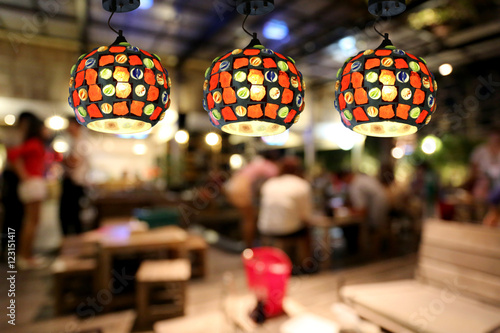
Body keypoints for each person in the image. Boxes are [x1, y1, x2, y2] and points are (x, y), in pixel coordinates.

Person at [7, 112, 47, 269]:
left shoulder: (33, 142)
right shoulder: (34, 143)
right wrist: (24, 175)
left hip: (32, 183)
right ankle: (24, 256)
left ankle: (26, 255)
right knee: (32, 222)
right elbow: (12, 154)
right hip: (33, 183)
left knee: (31, 221)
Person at [258, 157, 313, 268]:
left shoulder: (269, 184)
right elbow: (306, 216)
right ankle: (307, 262)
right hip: (288, 230)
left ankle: (268, 261)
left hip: (264, 228)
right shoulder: (302, 185)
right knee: (307, 229)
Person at [225, 153, 279, 247]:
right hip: (240, 188)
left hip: (233, 185)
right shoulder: (271, 167)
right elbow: (275, 183)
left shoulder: (257, 163)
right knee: (249, 219)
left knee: (247, 218)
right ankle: (249, 247)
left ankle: (248, 245)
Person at [334, 170, 390, 256]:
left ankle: (362, 252)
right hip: (384, 204)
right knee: (379, 228)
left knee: (357, 227)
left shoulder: (355, 186)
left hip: (376, 210)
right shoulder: (361, 178)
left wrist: (348, 211)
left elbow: (362, 210)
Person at [59, 117, 89, 235]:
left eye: (69, 124)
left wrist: (60, 159)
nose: (67, 128)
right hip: (72, 183)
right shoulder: (74, 141)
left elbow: (74, 162)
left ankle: (74, 245)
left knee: (70, 216)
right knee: (69, 216)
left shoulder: (81, 142)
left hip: (75, 184)